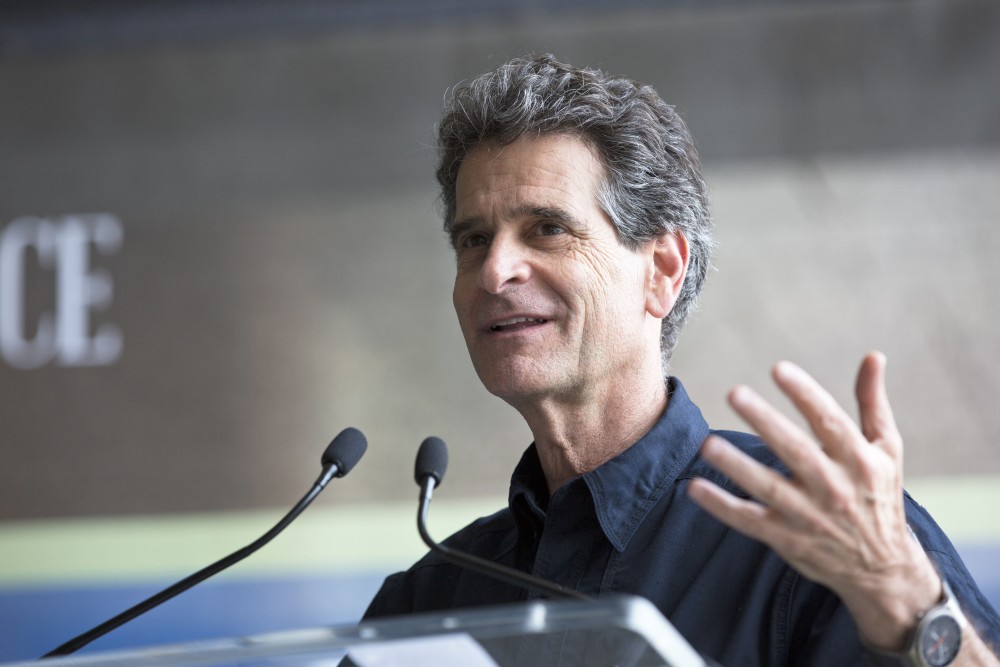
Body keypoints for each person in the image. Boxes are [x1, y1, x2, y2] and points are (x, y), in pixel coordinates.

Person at [363, 54, 1000, 665]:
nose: (495, 271)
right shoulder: (428, 601)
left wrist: (905, 601)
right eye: (474, 240)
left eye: (547, 229)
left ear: (663, 270)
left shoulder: (819, 534)